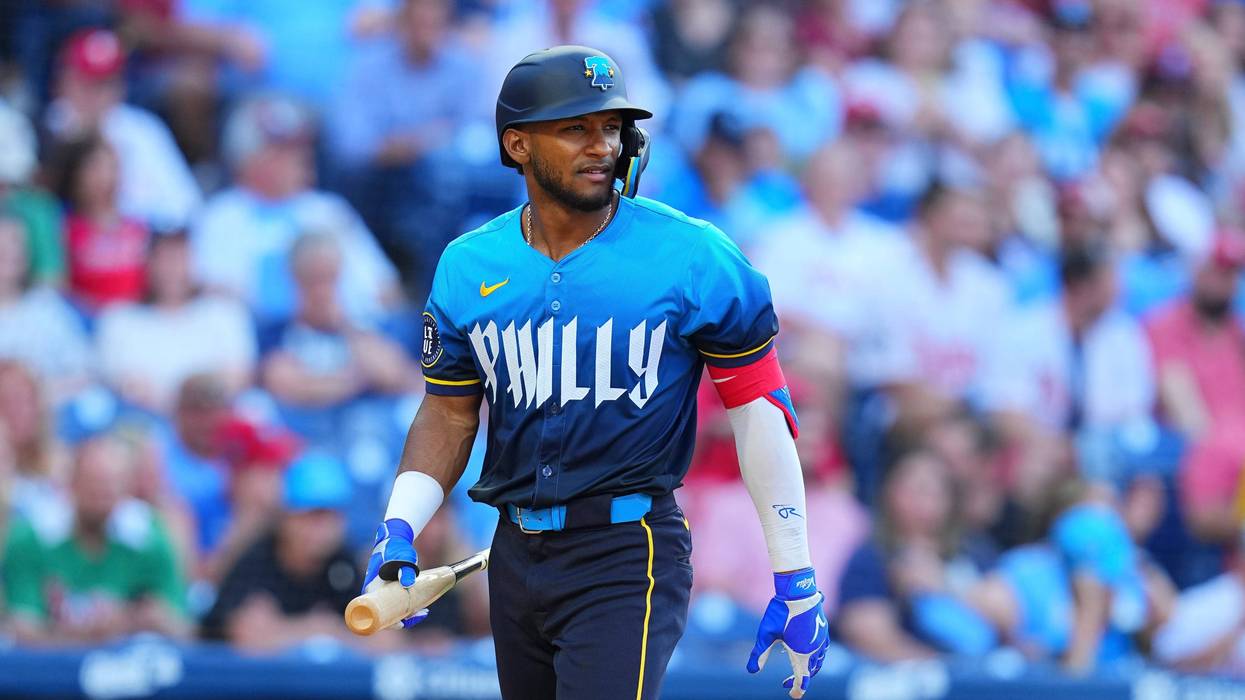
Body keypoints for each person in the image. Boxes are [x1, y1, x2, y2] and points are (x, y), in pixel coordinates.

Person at [360, 46, 828, 700]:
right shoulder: (468, 264)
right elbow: (448, 411)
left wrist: (794, 574)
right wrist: (398, 528)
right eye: (574, 128)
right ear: (517, 144)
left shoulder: (694, 255)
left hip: (627, 551)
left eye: (610, 127)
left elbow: (757, 410)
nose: (600, 145)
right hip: (513, 552)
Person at [190, 94, 400, 325]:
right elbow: (210, 294)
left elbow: (385, 289)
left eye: (301, 147)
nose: (302, 158)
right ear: (248, 158)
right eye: (284, 150)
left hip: (343, 336)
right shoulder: (220, 216)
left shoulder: (329, 210)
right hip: (259, 343)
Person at [1, 434, 191, 645]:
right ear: (71, 484)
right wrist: (79, 635)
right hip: (48, 671)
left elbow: (182, 627)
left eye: (110, 488)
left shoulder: (149, 538)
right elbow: (22, 629)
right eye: (93, 486)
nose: (101, 498)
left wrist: (134, 618)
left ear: (127, 489)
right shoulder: (31, 537)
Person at [200, 452, 365, 652]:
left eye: (331, 517)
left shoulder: (343, 564)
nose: (322, 529)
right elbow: (248, 637)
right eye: (311, 516)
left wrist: (293, 630)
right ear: (286, 518)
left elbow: (383, 640)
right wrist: (317, 628)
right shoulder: (258, 561)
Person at [43, 28, 202, 230]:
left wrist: (128, 225)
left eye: (104, 83)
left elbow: (186, 208)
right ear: (64, 80)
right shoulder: (44, 130)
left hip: (136, 249)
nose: (94, 93)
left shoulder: (144, 130)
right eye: (86, 81)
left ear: (121, 85)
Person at [95, 230, 256, 415]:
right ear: (148, 264)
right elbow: (121, 382)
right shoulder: (119, 319)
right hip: (144, 420)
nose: (172, 269)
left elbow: (238, 377)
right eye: (164, 259)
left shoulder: (225, 312)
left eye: (180, 259)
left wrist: (195, 406)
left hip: (215, 419)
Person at [49, 133, 151, 312]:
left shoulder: (139, 226)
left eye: (110, 167)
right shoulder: (62, 227)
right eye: (94, 168)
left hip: (137, 324)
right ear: (76, 175)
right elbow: (59, 288)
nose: (104, 177)